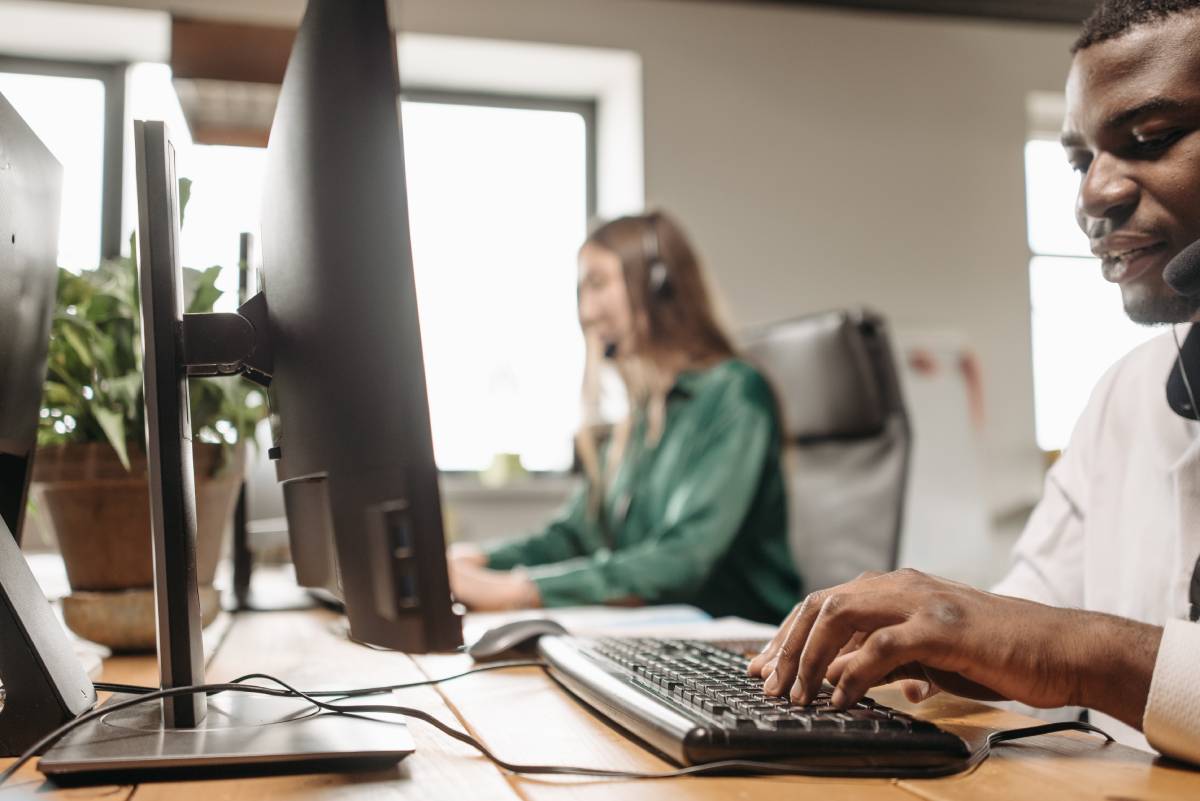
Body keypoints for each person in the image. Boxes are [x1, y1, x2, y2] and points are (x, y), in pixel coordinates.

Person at [749, 0, 1200, 764]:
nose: (1093, 194)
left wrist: (1079, 653)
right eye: (1079, 160)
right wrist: (936, 633)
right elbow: (1031, 611)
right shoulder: (1129, 391)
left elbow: (1060, 642)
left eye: (1149, 139)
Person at [448, 211, 801, 623]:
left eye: (597, 284)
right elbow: (575, 535)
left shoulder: (734, 393)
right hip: (661, 633)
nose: (586, 310)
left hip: (739, 646)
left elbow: (682, 560)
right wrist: (478, 559)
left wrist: (521, 592)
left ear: (659, 287)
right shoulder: (640, 414)